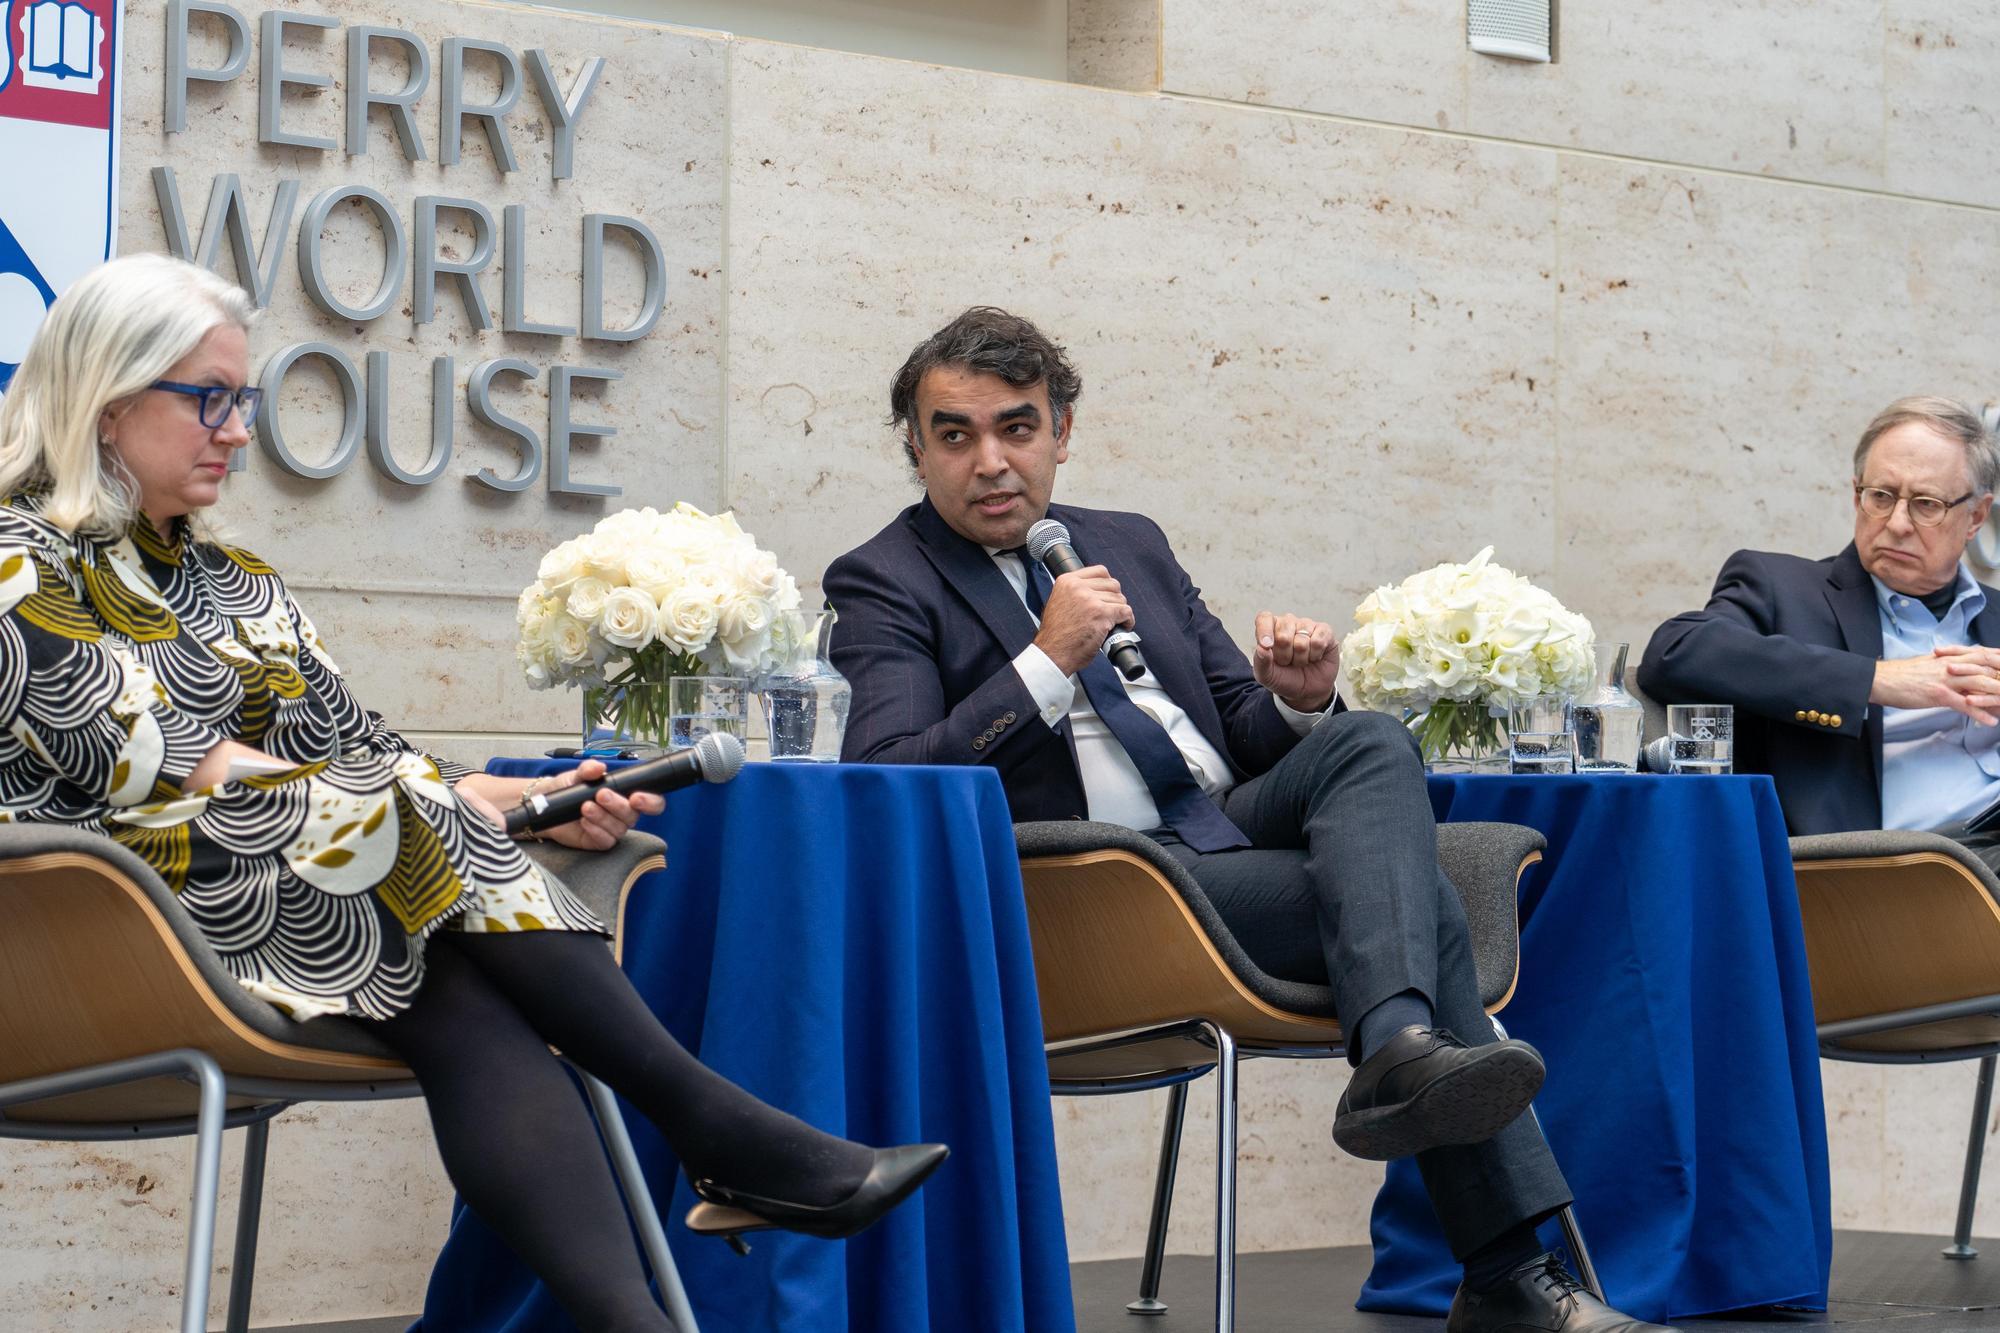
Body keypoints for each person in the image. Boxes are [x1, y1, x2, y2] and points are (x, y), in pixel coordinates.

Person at [0, 254, 943, 1333]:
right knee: (409, 839)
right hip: (98, 923)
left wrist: (513, 796)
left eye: (244, 399)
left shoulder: (234, 581)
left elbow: (357, 747)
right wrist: (443, 807)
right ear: (109, 403)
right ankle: (718, 1128)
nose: (237, 429)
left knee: (451, 991)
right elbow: (165, 760)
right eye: (209, 399)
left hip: (282, 895)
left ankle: (637, 1310)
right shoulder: (19, 559)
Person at [825, 306, 1666, 1333]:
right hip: (1093, 887)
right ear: (915, 448)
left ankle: (1405, 1055)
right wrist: (1043, 662)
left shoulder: (1127, 542)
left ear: (1062, 431)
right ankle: (1496, 1255)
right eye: (954, 435)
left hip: (1217, 830)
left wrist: (1297, 697)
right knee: (1422, 907)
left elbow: (1236, 726)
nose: (990, 461)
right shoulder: (882, 578)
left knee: (1365, 743)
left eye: (1016, 427)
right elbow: (884, 779)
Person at [1641, 396, 2000, 856]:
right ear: (1856, 495)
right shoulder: (1781, 588)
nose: (1896, 524)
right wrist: (1874, 679)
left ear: (1975, 516)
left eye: (1926, 505)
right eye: (1881, 496)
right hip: (1892, 875)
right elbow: (1675, 652)